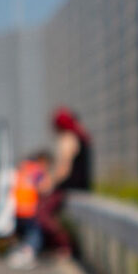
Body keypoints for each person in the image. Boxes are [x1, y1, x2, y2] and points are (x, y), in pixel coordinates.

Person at [34, 107, 92, 261]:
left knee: (42, 213)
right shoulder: (80, 136)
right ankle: (62, 245)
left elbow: (63, 169)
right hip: (81, 186)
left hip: (68, 186)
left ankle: (66, 245)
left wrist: (49, 184)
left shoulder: (67, 139)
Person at [6, 149, 49, 267]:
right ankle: (28, 252)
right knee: (34, 232)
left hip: (16, 208)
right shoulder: (37, 170)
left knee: (20, 232)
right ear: (42, 161)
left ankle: (19, 252)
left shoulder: (21, 167)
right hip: (29, 208)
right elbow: (44, 187)